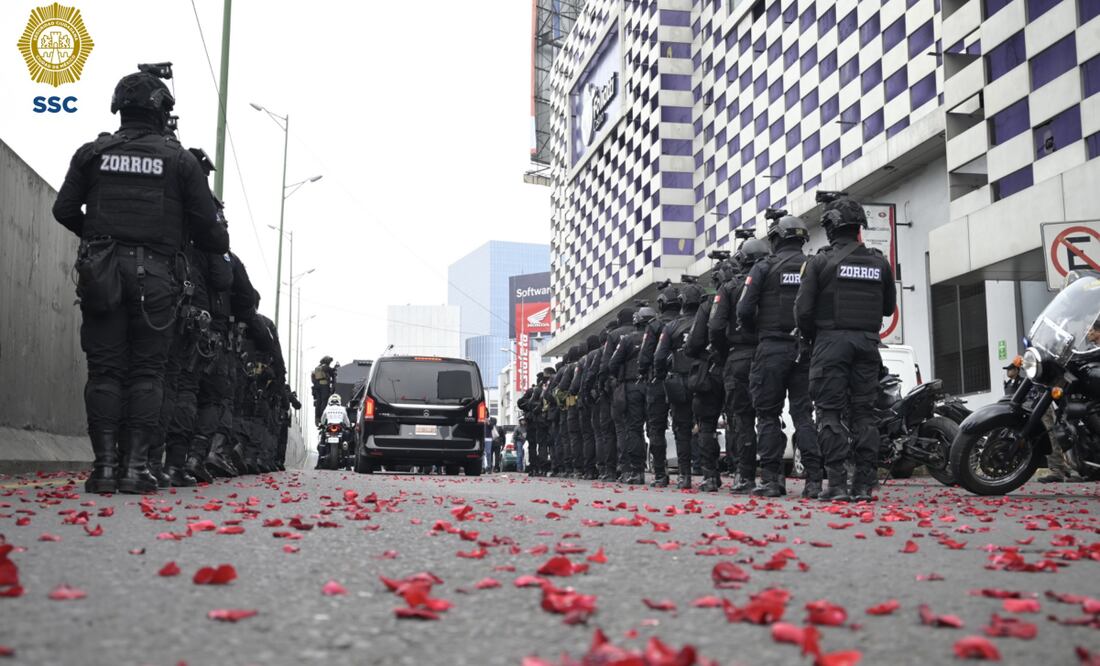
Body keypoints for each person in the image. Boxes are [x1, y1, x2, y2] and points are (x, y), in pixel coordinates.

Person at [53, 64, 229, 494]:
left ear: (119, 108)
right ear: (161, 110)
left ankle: (104, 469)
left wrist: (99, 238)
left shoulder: (91, 153)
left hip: (101, 273)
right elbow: (213, 234)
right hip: (156, 277)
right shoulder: (180, 161)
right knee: (148, 373)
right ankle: (135, 469)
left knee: (105, 371)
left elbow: (64, 210)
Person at [795, 193, 896, 502]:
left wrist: (815, 337)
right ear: (858, 228)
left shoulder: (819, 262)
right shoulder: (879, 261)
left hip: (831, 343)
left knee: (829, 414)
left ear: (830, 228)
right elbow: (889, 308)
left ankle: (837, 484)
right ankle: (865, 485)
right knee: (865, 414)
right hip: (867, 345)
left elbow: (803, 311)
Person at [738, 215, 824, 498]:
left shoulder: (763, 267)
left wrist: (759, 331)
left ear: (775, 239)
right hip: (804, 349)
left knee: (767, 415)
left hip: (771, 348)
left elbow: (744, 310)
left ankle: (774, 480)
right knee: (804, 415)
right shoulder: (813, 265)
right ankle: (813, 482)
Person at [710, 240, 768, 494]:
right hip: (769, 353)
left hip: (739, 357)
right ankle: (773, 477)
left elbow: (715, 327)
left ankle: (745, 476)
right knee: (769, 417)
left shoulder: (730, 287)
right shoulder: (772, 279)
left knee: (743, 419)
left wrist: (724, 356)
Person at [655, 284, 704, 489]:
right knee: (707, 426)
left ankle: (684, 476)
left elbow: (658, 357)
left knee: (682, 429)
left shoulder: (671, 327)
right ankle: (710, 474)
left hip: (680, 383)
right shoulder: (706, 322)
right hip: (704, 380)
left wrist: (660, 376)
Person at [608, 307, 654, 484]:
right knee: (655, 428)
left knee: (634, 428)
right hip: (654, 384)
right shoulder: (656, 336)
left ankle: (637, 471)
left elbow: (612, 363)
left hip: (632, 386)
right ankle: (660, 472)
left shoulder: (626, 339)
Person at [639, 285, 679, 487]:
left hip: (658, 381)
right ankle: (687, 474)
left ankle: (661, 475)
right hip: (682, 378)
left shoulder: (654, 326)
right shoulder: (685, 321)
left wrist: (645, 373)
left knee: (656, 428)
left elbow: (645, 357)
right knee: (684, 427)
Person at [316, 393, 350, 468]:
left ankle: (319, 462)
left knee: (322, 441)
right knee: (346, 442)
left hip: (329, 426)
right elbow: (347, 421)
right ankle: (348, 464)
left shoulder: (327, 408)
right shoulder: (343, 409)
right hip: (339, 427)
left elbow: (322, 420)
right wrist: (348, 427)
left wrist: (321, 425)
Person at [311, 356, 335, 425]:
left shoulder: (317, 368)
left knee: (318, 402)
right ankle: (323, 416)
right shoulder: (326, 367)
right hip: (324, 386)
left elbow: (313, 378)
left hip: (317, 387)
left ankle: (317, 418)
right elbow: (332, 374)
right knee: (324, 401)